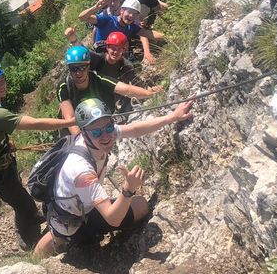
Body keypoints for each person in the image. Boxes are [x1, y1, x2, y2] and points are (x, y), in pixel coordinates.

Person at [33, 97, 194, 257]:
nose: (106, 136)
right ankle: (41, 258)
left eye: (109, 128)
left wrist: (171, 117)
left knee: (141, 205)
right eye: (97, 132)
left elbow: (134, 129)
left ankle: (68, 242)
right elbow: (113, 219)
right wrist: (128, 189)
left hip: (81, 209)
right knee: (61, 234)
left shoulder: (97, 135)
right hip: (70, 221)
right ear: (84, 133)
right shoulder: (81, 171)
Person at [0, 61, 77, 249]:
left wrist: (2, 143)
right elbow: (35, 123)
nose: (1, 84)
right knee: (23, 203)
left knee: (18, 193)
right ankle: (26, 239)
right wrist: (68, 122)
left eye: (1, 79)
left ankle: (31, 217)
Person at [58, 46, 163, 136]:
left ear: (88, 66)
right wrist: (81, 141)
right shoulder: (64, 86)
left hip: (96, 125)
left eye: (82, 67)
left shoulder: (98, 79)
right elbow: (70, 119)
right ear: (69, 68)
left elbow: (127, 90)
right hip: (73, 133)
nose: (78, 73)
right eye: (73, 68)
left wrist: (150, 94)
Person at [78, 0, 165, 63]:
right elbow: (82, 17)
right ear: (121, 11)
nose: (131, 16)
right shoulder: (107, 20)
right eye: (129, 12)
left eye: (135, 14)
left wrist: (168, 36)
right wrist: (95, 8)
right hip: (100, 58)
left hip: (116, 58)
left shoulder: (131, 27)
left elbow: (147, 33)